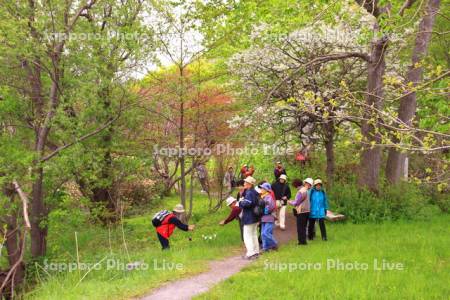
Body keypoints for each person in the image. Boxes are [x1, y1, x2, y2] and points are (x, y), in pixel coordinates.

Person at [238, 176, 260, 260]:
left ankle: (250, 253)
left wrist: (240, 202)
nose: (244, 184)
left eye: (245, 182)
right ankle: (256, 252)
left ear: (250, 184)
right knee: (254, 234)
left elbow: (248, 203)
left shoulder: (249, 192)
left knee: (247, 236)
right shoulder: (255, 192)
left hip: (249, 217)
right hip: (255, 216)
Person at [289, 178, 313, 245]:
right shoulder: (306, 190)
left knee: (300, 228)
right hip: (307, 211)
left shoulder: (301, 191)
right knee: (304, 227)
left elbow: (296, 202)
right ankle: (304, 241)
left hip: (301, 211)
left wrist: (290, 202)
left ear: (296, 185)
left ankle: (301, 242)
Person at [259, 182, 278, 252]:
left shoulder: (268, 197)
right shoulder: (262, 197)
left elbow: (270, 207)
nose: (261, 189)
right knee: (262, 234)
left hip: (269, 217)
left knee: (266, 233)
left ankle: (274, 244)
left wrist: (264, 211)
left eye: (262, 188)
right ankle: (265, 248)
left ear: (266, 189)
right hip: (263, 217)